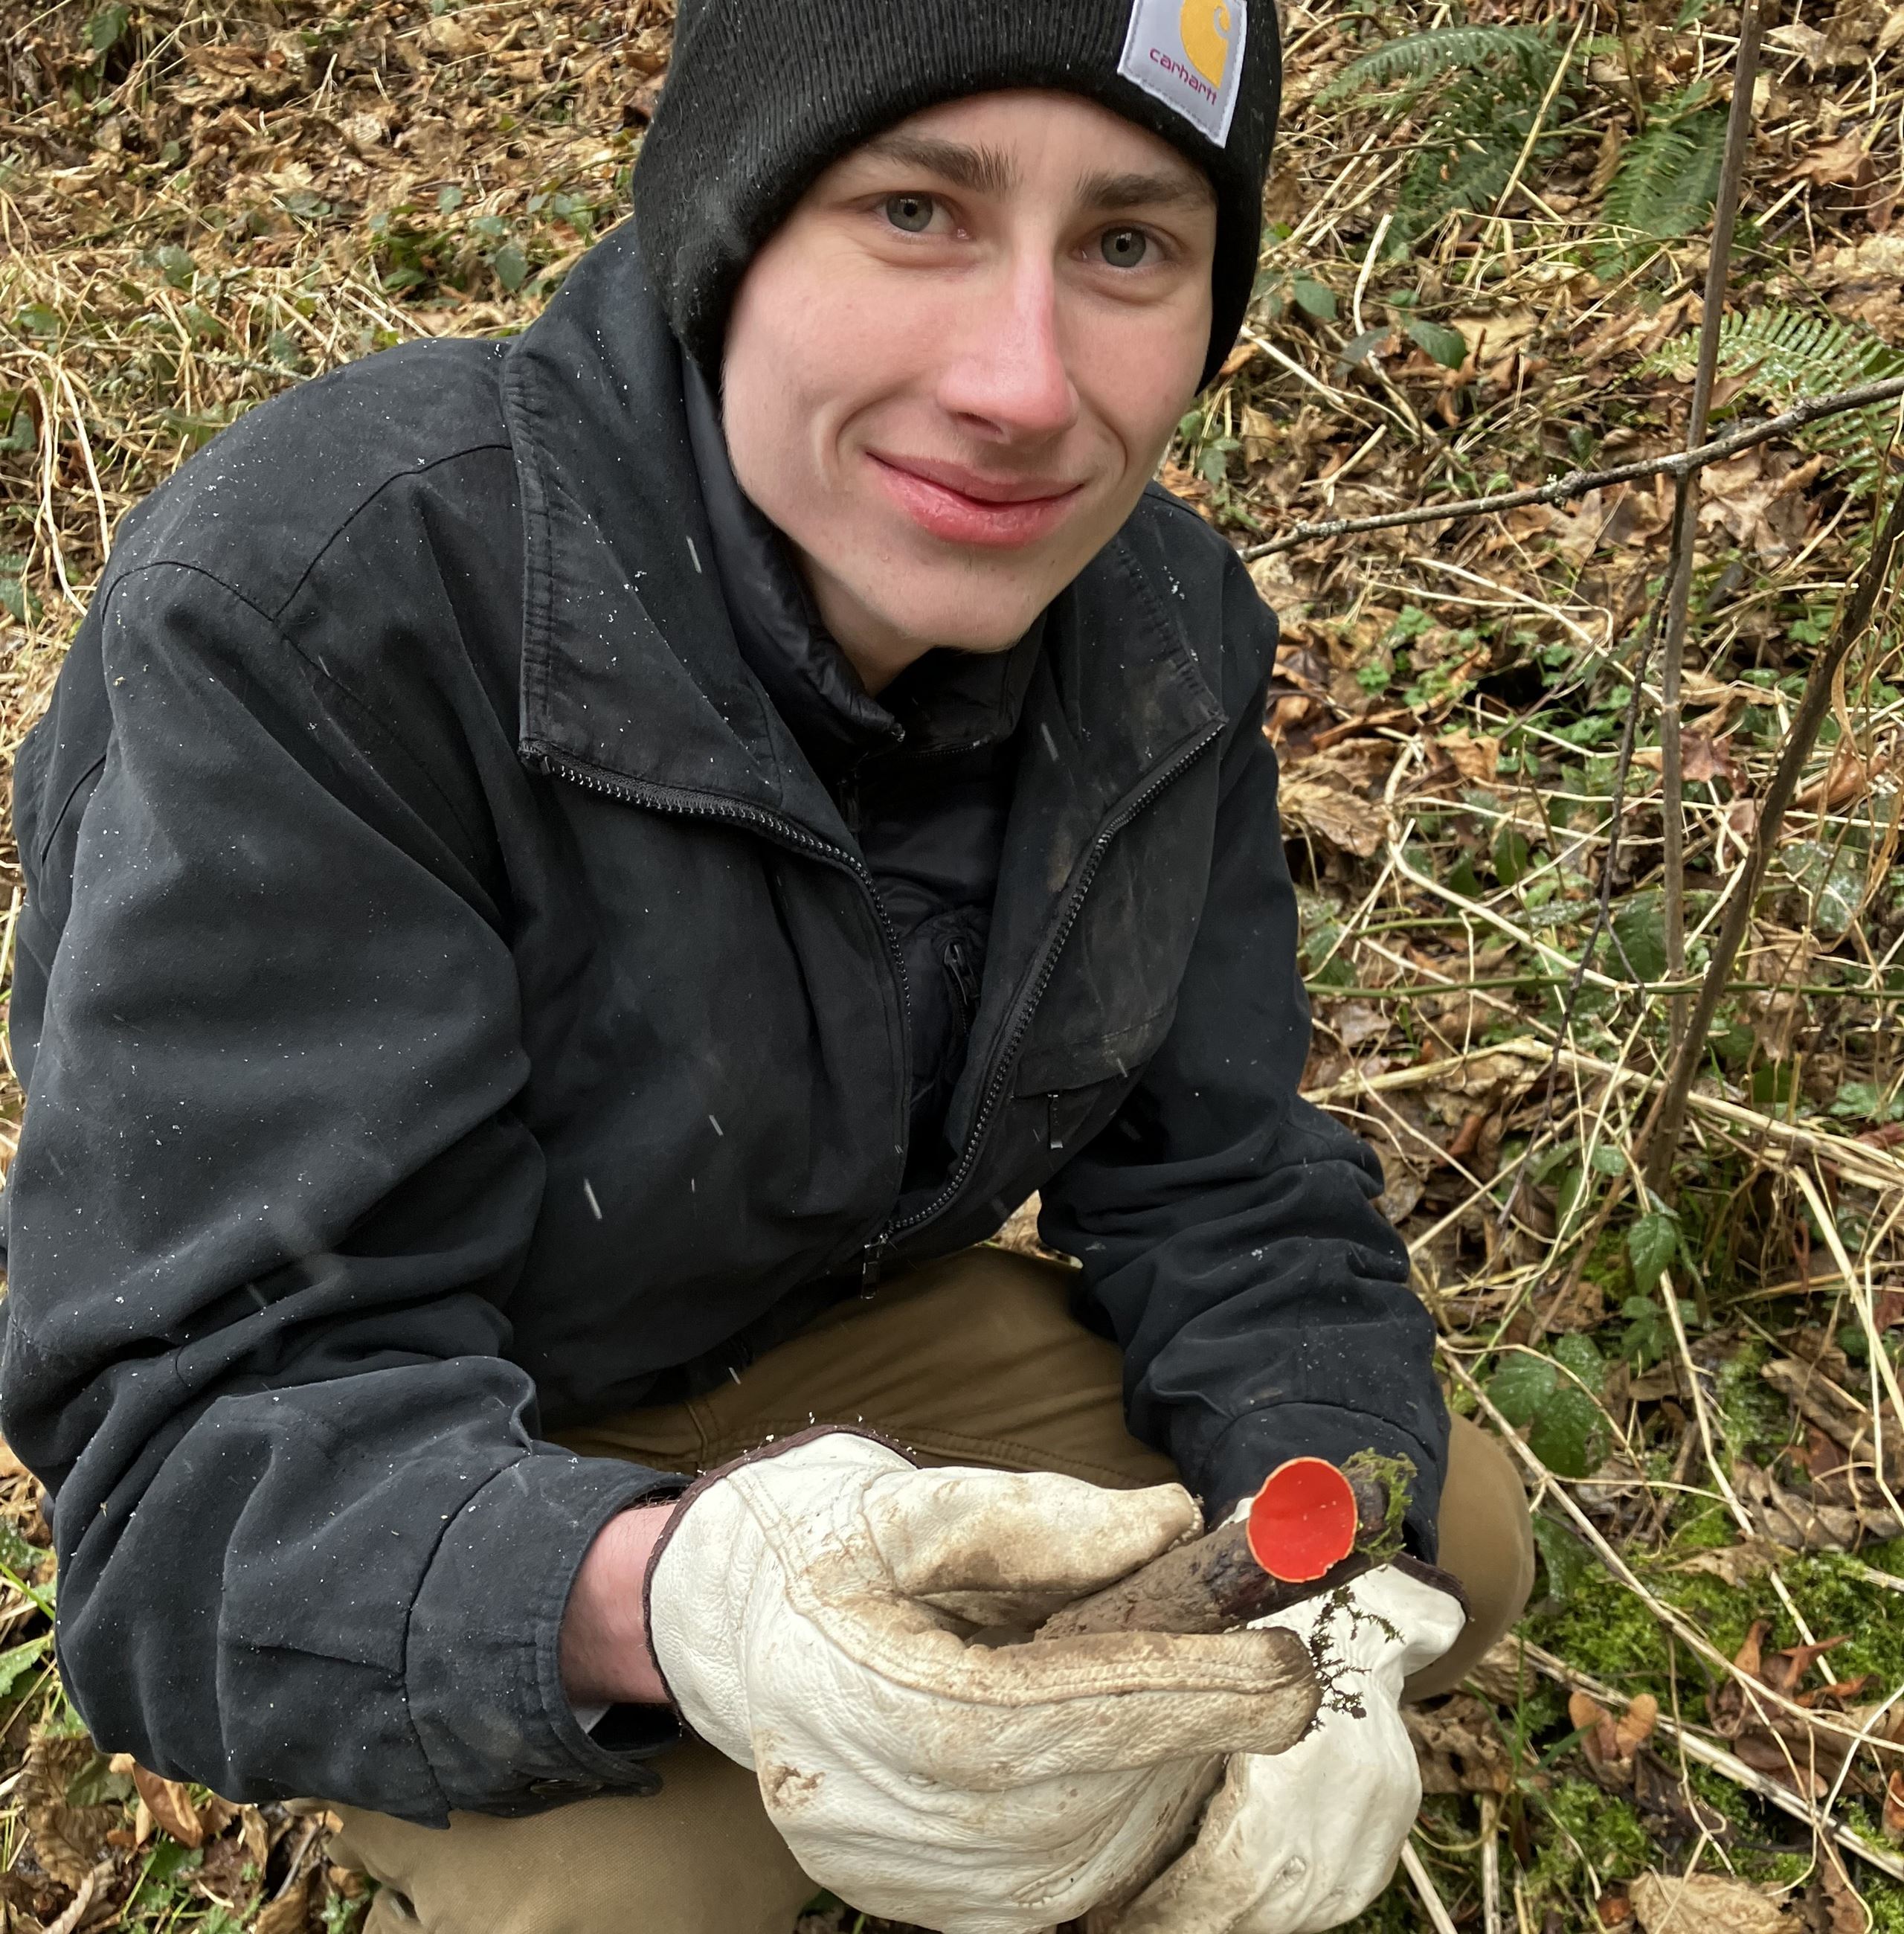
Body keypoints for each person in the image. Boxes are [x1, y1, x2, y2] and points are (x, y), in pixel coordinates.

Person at [1, 2, 1535, 1930]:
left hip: (838, 1353)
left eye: (1130, 244)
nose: (1022, 384)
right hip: (458, 1450)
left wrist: (1335, 1581)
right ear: (730, 230)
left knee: (1449, 1533)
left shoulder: (1158, 632)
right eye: (915, 211)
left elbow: (1227, 1189)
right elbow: (189, 1493)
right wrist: (687, 1601)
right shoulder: (324, 608)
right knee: (622, 1898)